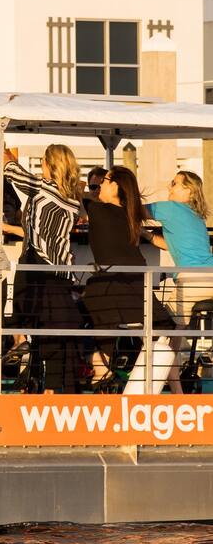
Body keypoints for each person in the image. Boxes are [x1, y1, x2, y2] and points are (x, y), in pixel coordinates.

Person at [82, 166, 175, 390]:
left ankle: (103, 368)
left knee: (76, 320)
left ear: (116, 187)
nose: (99, 186)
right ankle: (143, 380)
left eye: (104, 181)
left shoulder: (98, 210)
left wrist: (83, 189)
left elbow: (74, 193)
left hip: (112, 285)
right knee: (164, 329)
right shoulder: (130, 214)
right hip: (134, 282)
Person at [3, 144, 83, 393]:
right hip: (61, 269)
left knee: (36, 324)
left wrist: (1, 149)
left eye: (42, 162)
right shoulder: (74, 199)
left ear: (49, 164)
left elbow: (11, 170)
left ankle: (21, 344)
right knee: (52, 330)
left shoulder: (44, 187)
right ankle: (47, 386)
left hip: (40, 266)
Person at [138, 171, 213, 392]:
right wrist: (146, 234)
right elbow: (171, 245)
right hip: (209, 276)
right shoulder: (197, 216)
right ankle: (175, 384)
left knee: (161, 329)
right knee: (175, 332)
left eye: (174, 183)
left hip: (192, 280)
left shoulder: (170, 208)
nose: (169, 187)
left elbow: (134, 210)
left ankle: (174, 391)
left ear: (188, 190)